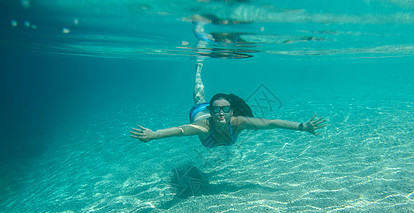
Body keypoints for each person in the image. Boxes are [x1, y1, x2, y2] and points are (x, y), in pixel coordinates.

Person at [130, 62, 326, 147]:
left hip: (214, 120)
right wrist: (155, 135)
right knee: (199, 99)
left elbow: (271, 122)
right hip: (199, 112)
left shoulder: (238, 123)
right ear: (212, 110)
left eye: (225, 109)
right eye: (216, 109)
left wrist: (302, 127)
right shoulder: (203, 127)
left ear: (231, 111)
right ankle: (198, 72)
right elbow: (180, 131)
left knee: (204, 99)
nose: (221, 114)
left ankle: (201, 80)